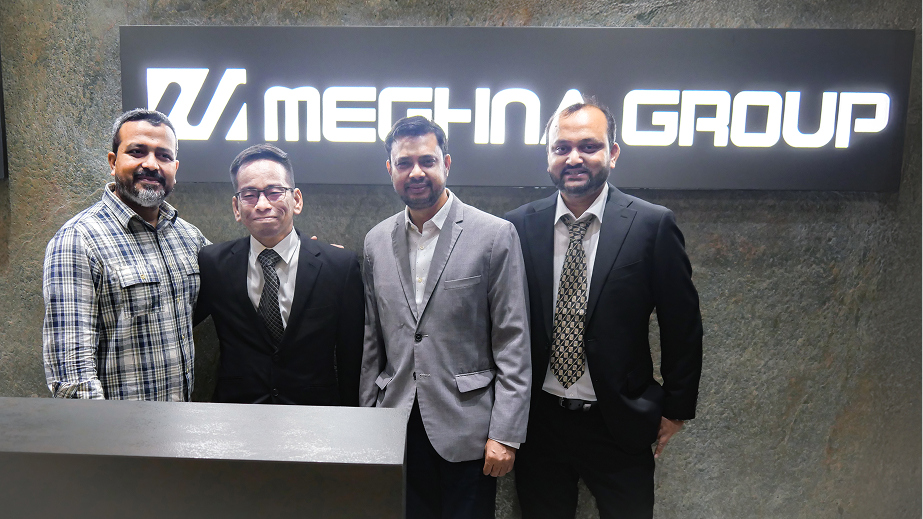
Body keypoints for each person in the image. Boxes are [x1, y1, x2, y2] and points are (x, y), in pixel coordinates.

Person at [505, 97, 703, 519]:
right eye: (561, 148)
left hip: (619, 423)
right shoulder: (517, 225)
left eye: (588, 146)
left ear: (612, 153)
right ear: (548, 157)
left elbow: (682, 324)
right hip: (540, 422)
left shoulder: (651, 225)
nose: (574, 158)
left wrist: (676, 410)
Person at [360, 116, 531, 519]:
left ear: (447, 163)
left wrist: (505, 433)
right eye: (404, 163)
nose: (415, 172)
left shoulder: (494, 235)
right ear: (390, 169)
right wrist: (366, 422)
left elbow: (513, 339)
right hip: (396, 424)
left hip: (469, 429)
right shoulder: (375, 241)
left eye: (427, 160)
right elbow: (372, 339)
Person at [42, 108, 208, 400]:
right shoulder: (78, 240)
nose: (151, 164)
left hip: (181, 420)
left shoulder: (189, 237)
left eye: (164, 156)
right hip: (119, 428)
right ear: (113, 161)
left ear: (175, 168)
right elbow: (73, 377)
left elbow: (238, 275)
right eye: (137, 151)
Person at [194, 144, 364, 406]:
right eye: (249, 194)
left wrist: (351, 417)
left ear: (296, 200)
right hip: (237, 412)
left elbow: (351, 355)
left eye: (274, 192)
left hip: (315, 414)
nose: (262, 204)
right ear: (236, 207)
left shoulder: (339, 266)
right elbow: (179, 321)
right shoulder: (213, 263)